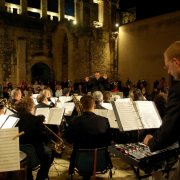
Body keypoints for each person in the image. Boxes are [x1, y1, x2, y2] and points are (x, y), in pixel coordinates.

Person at [143, 41, 180, 152]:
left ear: (176, 62)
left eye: (168, 67)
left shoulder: (177, 91)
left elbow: (170, 129)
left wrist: (151, 141)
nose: (168, 71)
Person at [67, 95, 112, 177]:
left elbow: (69, 140)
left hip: (80, 161)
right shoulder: (104, 120)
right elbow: (108, 141)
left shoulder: (74, 121)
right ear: (94, 105)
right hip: (101, 161)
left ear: (81, 105)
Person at [15, 97, 54, 180]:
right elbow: (46, 139)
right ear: (30, 107)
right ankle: (40, 177)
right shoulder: (36, 120)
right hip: (35, 154)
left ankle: (29, 176)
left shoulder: (12, 118)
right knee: (51, 153)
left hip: (17, 153)